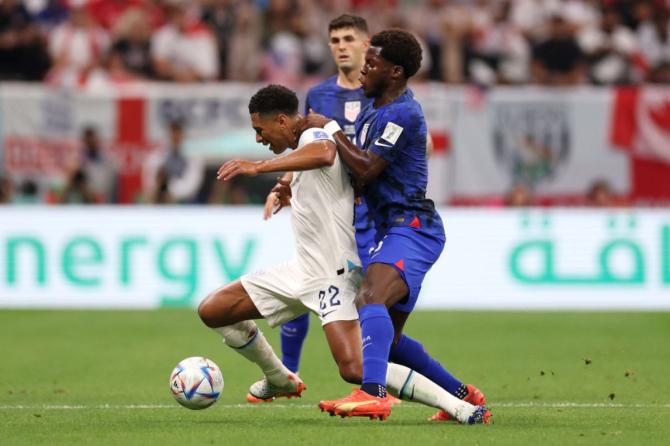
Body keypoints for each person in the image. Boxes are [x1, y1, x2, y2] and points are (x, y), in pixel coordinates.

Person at [197, 84, 488, 424]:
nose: (259, 138)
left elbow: (325, 153)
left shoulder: (314, 134)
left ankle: (461, 407)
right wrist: (287, 186)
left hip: (332, 274)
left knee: (355, 368)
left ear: (280, 120)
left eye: (260, 130)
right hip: (302, 270)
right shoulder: (299, 145)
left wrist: (259, 167)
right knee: (213, 310)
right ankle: (279, 378)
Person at [300, 29, 490, 422]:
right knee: (389, 339)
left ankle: (373, 393)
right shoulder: (374, 109)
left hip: (413, 228)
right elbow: (359, 172)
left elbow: (367, 168)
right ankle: (465, 397)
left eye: (372, 64)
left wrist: (332, 128)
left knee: (369, 298)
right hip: (392, 230)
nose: (363, 70)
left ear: (396, 72)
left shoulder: (403, 112)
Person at [274, 14, 374, 378]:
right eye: (335, 41)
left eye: (349, 39)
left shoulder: (379, 91)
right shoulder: (318, 94)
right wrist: (284, 183)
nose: (341, 47)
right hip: (325, 205)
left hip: (367, 208)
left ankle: (373, 377)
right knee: (307, 279)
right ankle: (288, 370)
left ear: (366, 44)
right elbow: (305, 146)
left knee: (368, 297)